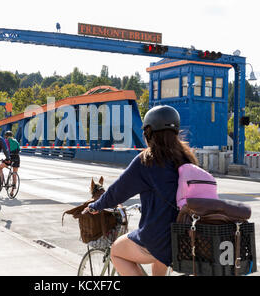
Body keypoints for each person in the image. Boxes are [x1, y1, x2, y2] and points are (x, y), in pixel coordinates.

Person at [83, 105, 198, 276]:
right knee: (160, 260)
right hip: (184, 236)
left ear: (148, 133)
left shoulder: (148, 160)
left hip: (157, 238)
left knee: (116, 251)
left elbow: (117, 192)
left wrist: (95, 206)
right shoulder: (187, 159)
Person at [0, 130, 20, 196]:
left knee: (0, 167)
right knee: (14, 174)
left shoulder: (6, 141)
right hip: (17, 158)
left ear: (6, 136)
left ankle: (1, 182)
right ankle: (12, 191)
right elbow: (19, 149)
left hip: (10, 158)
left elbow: (5, 150)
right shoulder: (16, 141)